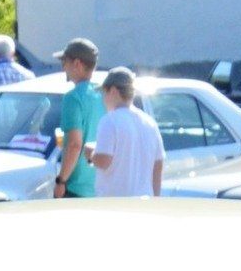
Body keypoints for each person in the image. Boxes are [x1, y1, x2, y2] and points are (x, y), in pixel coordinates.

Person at [91, 67, 164, 197]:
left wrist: (90, 154)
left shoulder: (109, 121)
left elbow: (103, 160)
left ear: (113, 91)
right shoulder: (150, 122)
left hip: (115, 202)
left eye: (104, 93)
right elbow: (158, 164)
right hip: (143, 202)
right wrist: (156, 199)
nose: (103, 99)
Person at [52, 37, 102, 199]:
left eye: (64, 61)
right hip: (101, 186)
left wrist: (61, 181)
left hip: (77, 187)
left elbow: (74, 144)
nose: (63, 67)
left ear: (77, 64)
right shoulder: (104, 95)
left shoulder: (73, 98)